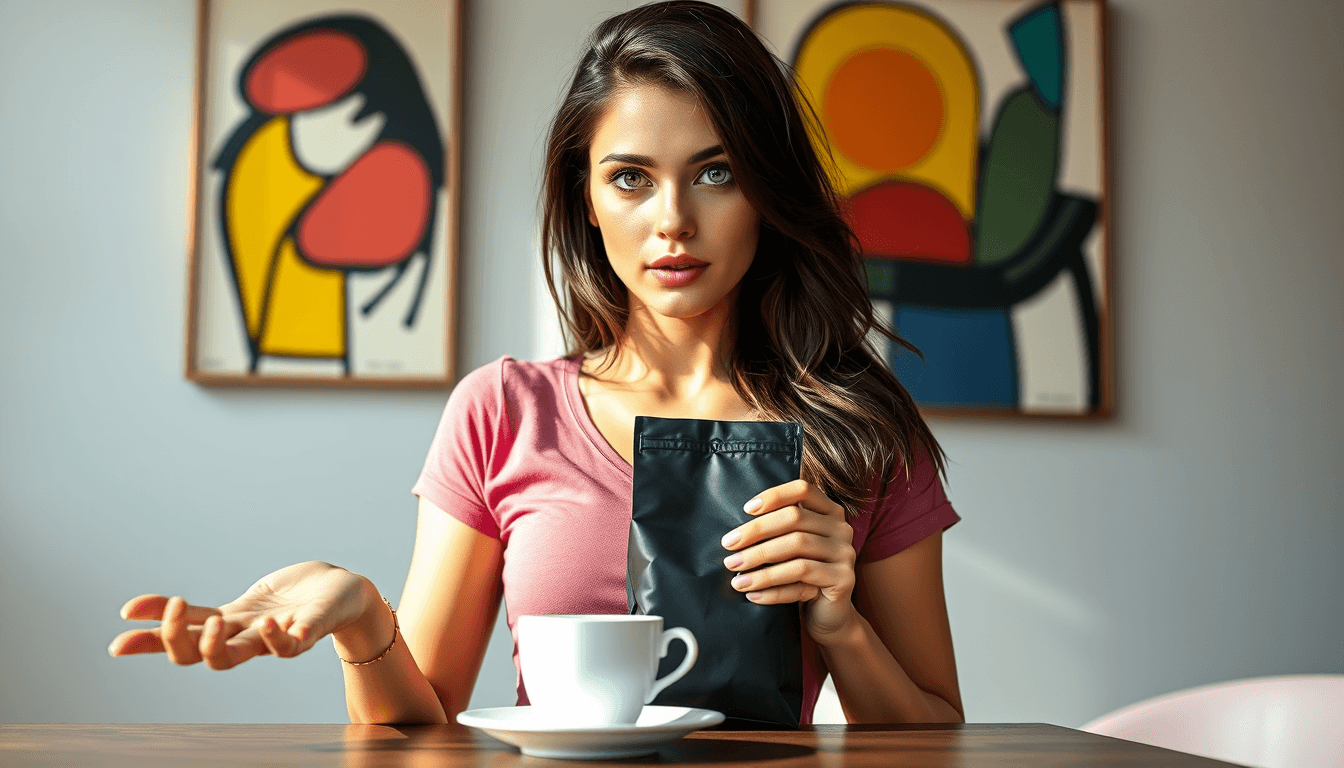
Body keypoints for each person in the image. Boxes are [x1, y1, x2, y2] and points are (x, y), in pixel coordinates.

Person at [110, 1, 963, 725]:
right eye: (630, 178)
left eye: (716, 172)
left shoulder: (860, 428)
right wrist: (360, 617)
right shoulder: (502, 411)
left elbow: (938, 732)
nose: (672, 221)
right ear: (585, 199)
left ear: (767, 193)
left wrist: (839, 623)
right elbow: (423, 721)